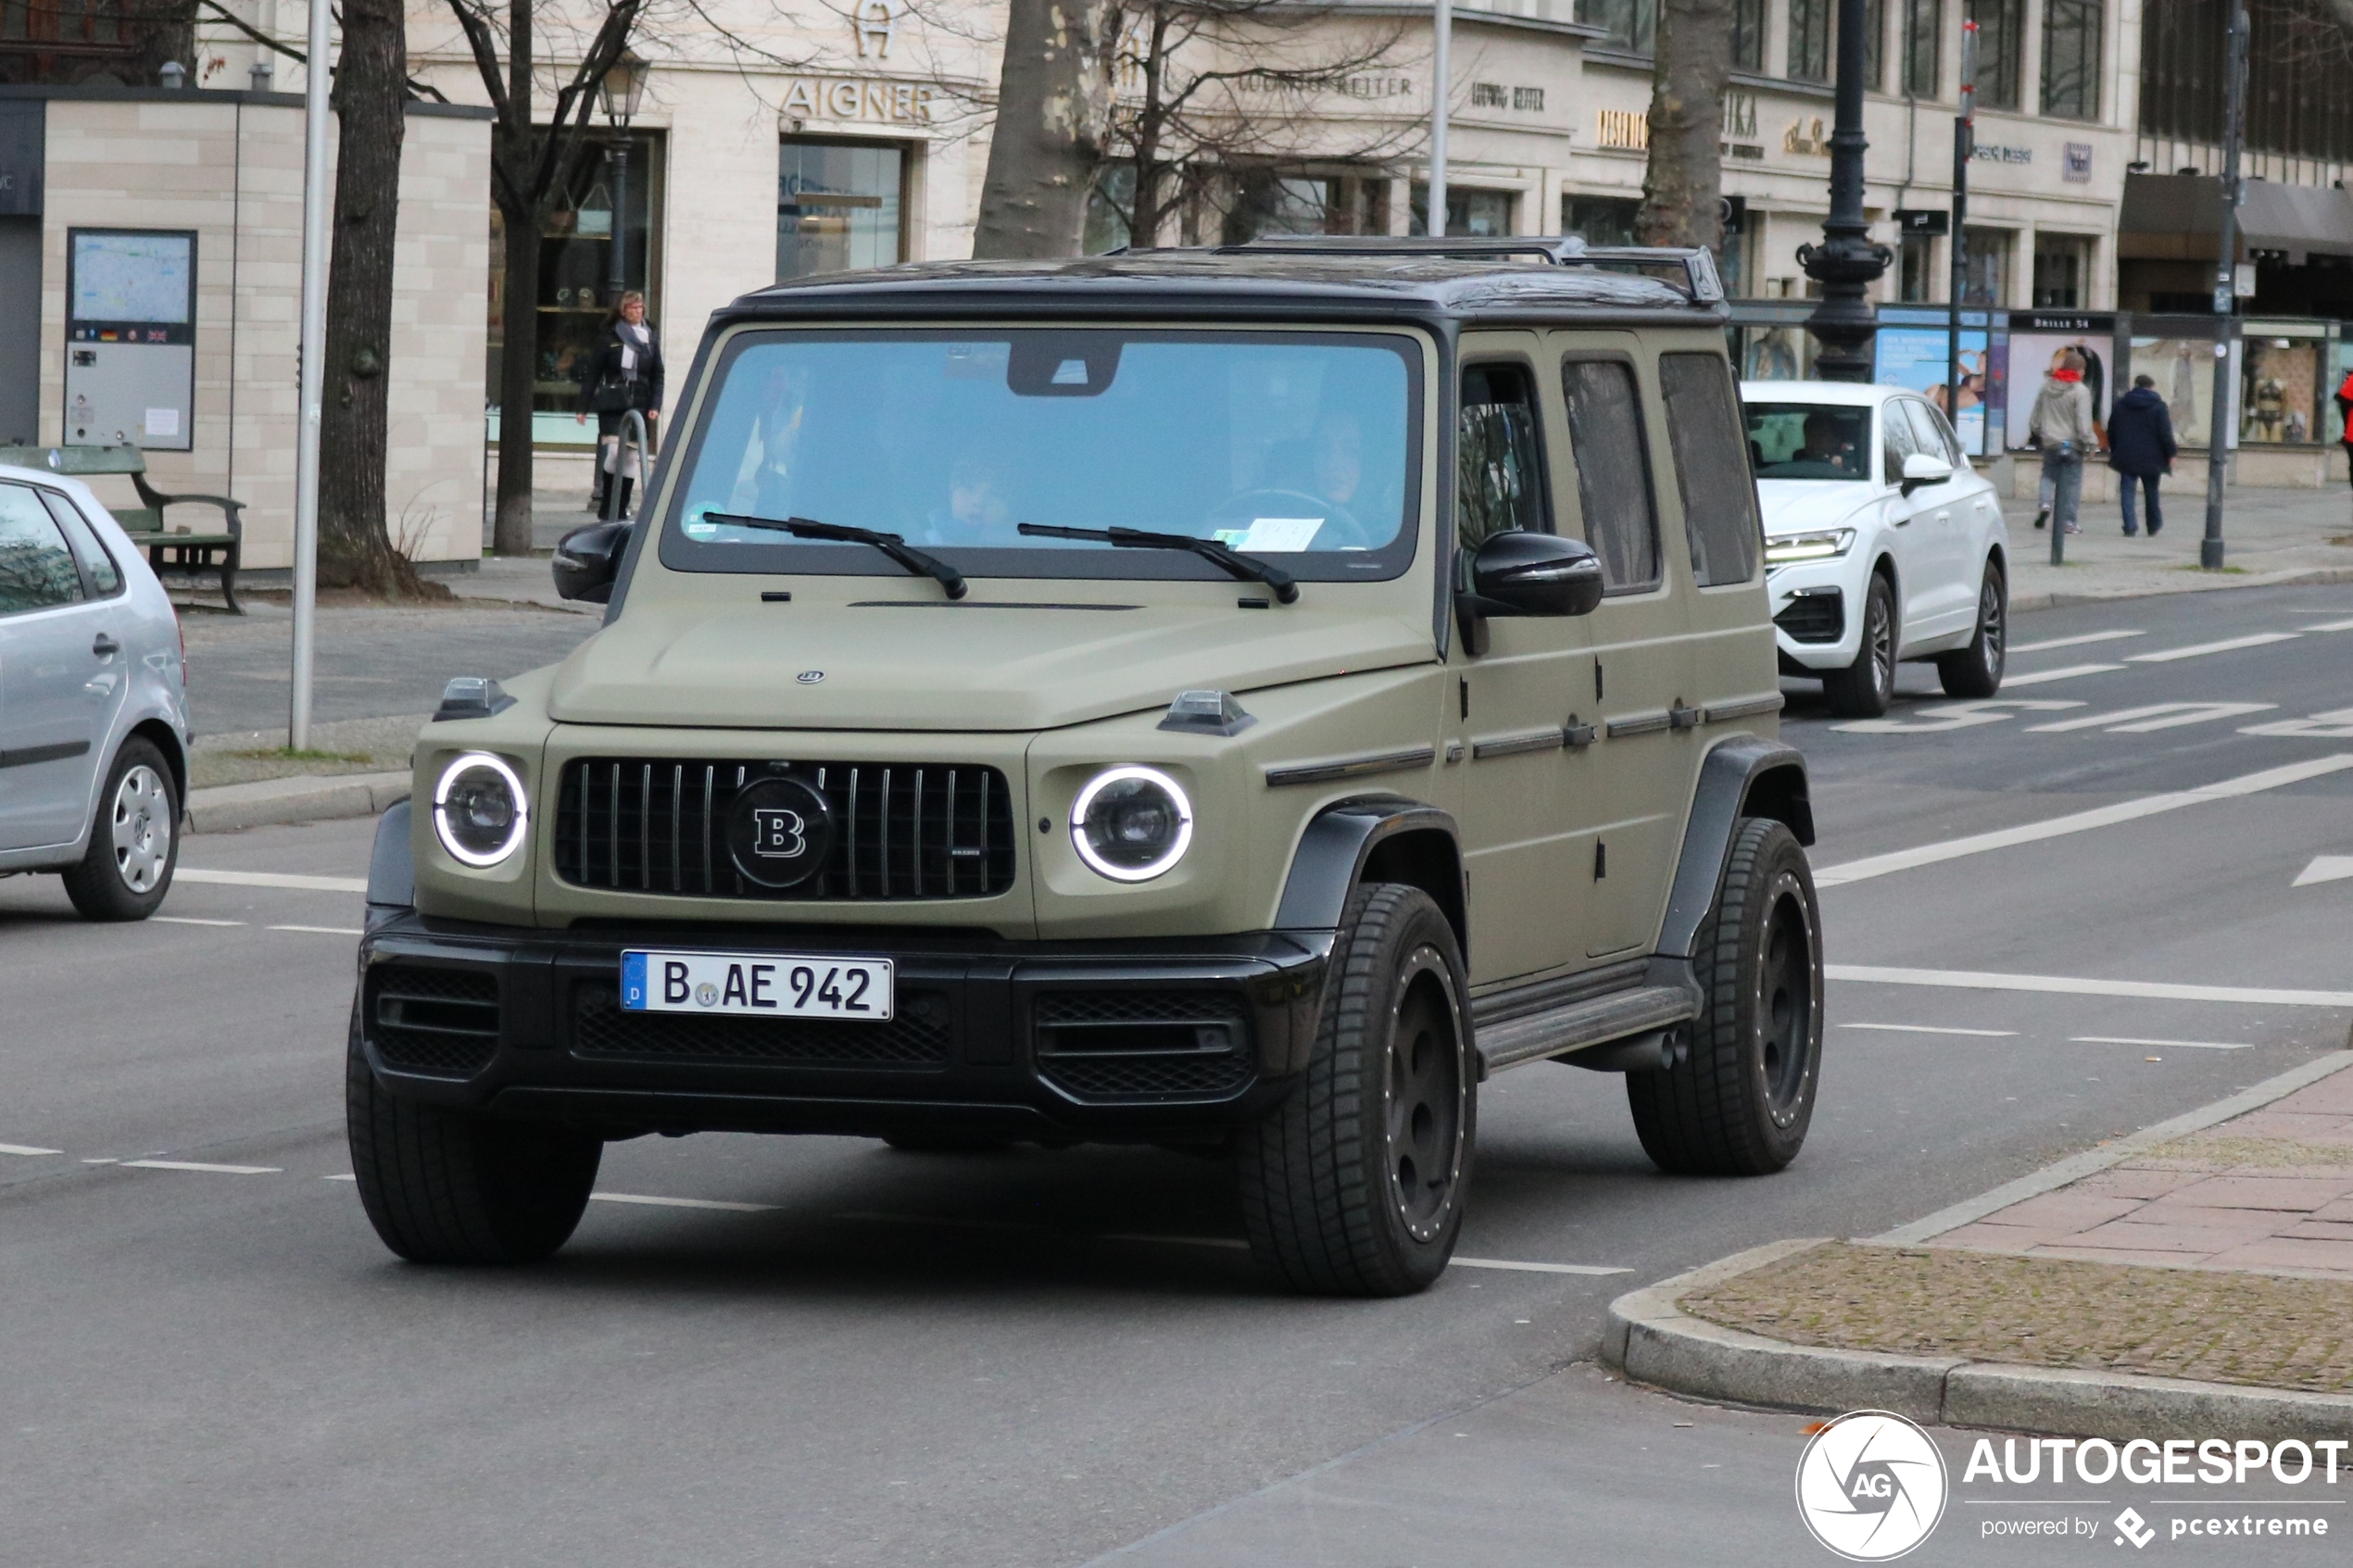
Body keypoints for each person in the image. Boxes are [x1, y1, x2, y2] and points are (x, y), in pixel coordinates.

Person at [576, 291, 663, 518]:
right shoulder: (610, 337)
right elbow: (594, 372)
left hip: (640, 402)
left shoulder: (650, 338)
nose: (638, 311)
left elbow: (657, 374)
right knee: (615, 452)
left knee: (631, 456)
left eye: (640, 308)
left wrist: (655, 404)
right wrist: (583, 407)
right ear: (623, 311)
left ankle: (622, 506)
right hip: (614, 402)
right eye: (633, 308)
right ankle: (608, 505)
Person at [2030, 348, 2099, 536]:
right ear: (2077, 370)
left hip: (2051, 442)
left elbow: (2035, 419)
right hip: (2072, 445)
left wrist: (2040, 432)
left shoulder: (2046, 387)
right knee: (2073, 483)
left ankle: (2045, 503)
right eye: (2083, 370)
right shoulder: (2080, 391)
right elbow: (2084, 424)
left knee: (2047, 474)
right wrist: (2091, 443)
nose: (2084, 373)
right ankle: (2069, 521)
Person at [2106, 372, 2178, 538]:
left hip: (2126, 455)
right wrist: (2171, 453)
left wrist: (2116, 449)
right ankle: (2153, 525)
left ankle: (2129, 526)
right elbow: (2165, 433)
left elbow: (2112, 430)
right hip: (2152, 457)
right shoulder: (2159, 406)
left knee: (2127, 491)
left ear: (2135, 385)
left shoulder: (2121, 405)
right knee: (2152, 491)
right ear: (2151, 387)